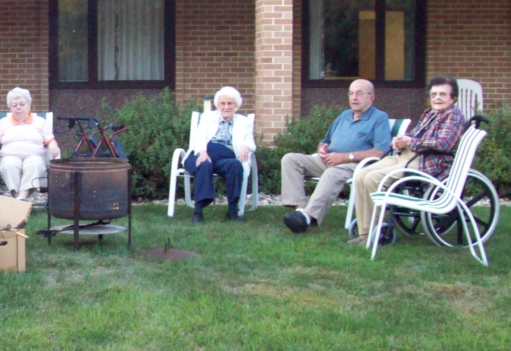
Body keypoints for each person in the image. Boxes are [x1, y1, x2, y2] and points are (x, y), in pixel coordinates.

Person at [350, 77, 467, 245]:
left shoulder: (453, 116)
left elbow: (443, 143)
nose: (437, 98)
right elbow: (416, 134)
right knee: (361, 174)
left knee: (373, 178)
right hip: (407, 155)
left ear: (453, 98)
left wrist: (411, 142)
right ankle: (364, 233)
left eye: (442, 94)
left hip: (426, 162)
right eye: (434, 94)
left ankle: (373, 233)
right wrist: (401, 140)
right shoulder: (430, 114)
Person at [280, 78, 392, 233]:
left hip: (355, 165)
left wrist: (345, 157)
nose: (354, 98)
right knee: (290, 159)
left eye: (359, 94)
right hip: (329, 159)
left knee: (332, 173)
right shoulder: (345, 115)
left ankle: (308, 217)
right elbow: (324, 141)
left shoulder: (379, 118)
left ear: (371, 97)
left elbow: (379, 152)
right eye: (351, 93)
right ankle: (299, 211)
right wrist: (322, 149)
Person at [183, 86, 257, 222]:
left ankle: (232, 211)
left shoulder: (243, 122)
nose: (226, 107)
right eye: (222, 103)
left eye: (230, 103)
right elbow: (199, 137)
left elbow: (249, 140)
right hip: (202, 154)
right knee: (204, 164)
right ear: (217, 105)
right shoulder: (207, 117)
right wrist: (203, 152)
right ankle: (198, 211)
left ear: (236, 106)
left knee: (235, 164)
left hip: (224, 159)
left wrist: (246, 147)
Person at [0, 87, 59, 201]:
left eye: (22, 104)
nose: (18, 107)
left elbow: (50, 140)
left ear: (29, 105)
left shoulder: (40, 122)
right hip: (9, 156)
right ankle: (19, 198)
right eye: (14, 105)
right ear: (10, 108)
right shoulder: (3, 122)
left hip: (35, 156)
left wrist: (53, 146)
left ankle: (20, 199)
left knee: (34, 164)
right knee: (9, 165)